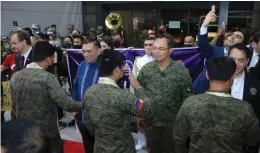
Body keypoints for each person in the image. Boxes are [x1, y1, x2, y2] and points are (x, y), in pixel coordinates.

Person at [174, 56, 260, 153]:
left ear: (207, 75)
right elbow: (253, 140)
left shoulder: (190, 103)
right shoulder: (244, 108)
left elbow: (179, 137)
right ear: (233, 76)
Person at [10, 41, 82, 153]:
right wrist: (85, 104)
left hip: (24, 131)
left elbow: (14, 107)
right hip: (46, 133)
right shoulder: (48, 78)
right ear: (49, 58)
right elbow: (67, 104)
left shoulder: (15, 76)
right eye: (52, 58)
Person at [83, 49, 155, 153]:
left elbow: (89, 124)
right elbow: (145, 108)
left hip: (100, 148)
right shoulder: (123, 96)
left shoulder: (88, 92)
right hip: (122, 149)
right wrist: (139, 88)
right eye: (122, 67)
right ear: (117, 70)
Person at [136, 34, 193, 153]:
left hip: (173, 126)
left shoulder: (181, 71)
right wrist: (139, 115)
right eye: (154, 48)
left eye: (161, 49)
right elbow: (139, 92)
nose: (156, 51)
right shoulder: (146, 69)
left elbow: (188, 99)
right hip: (151, 125)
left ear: (170, 50)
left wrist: (185, 123)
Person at [193, 6, 245, 94]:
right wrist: (205, 24)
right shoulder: (214, 51)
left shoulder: (243, 61)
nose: (232, 37)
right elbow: (203, 44)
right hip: (203, 94)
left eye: (237, 36)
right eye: (230, 35)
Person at [72, 38, 101, 153]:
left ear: (98, 51)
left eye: (89, 51)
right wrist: (74, 107)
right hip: (82, 115)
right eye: (83, 51)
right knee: (88, 146)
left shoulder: (105, 67)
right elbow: (76, 86)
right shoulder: (82, 65)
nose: (86, 54)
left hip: (99, 118)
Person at [131, 36, 155, 151]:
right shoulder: (138, 60)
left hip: (155, 96)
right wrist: (132, 96)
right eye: (146, 45)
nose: (148, 47)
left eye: (150, 45)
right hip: (140, 96)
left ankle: (152, 142)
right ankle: (141, 141)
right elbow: (133, 79)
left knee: (153, 120)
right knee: (139, 118)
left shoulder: (160, 60)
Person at [228, 44, 260, 122]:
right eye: (232, 59)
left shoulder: (255, 82)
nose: (236, 64)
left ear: (247, 62)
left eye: (241, 60)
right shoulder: (217, 79)